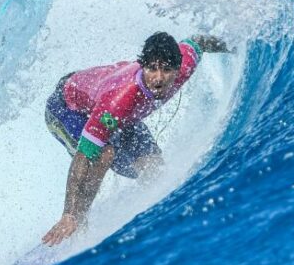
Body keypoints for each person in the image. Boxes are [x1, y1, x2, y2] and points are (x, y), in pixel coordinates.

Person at [42, 32, 229, 246]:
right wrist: (69, 213)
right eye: (152, 69)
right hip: (66, 107)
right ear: (143, 66)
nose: (158, 78)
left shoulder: (185, 63)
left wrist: (232, 46)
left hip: (119, 114)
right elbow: (84, 156)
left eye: (167, 70)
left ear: (178, 69)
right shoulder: (118, 101)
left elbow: (200, 41)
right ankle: (78, 222)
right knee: (103, 152)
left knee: (154, 171)